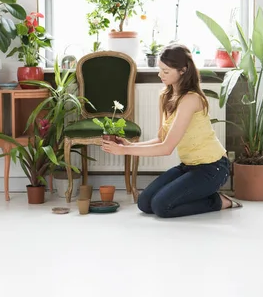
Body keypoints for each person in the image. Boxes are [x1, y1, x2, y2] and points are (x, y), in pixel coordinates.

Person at [102, 44, 242, 218]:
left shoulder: (191, 99)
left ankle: (220, 201)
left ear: (183, 70)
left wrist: (124, 151)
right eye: (160, 70)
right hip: (188, 167)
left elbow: (166, 148)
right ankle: (196, 193)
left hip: (212, 169)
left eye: (166, 71)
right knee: (145, 203)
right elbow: (161, 138)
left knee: (162, 207)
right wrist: (130, 145)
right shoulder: (165, 96)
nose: (160, 75)